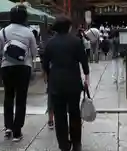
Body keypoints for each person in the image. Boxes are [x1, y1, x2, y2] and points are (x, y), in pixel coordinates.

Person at [43, 16, 90, 151]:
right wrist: (86, 77)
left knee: (59, 114)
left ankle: (63, 144)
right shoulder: (76, 41)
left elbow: (45, 64)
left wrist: (48, 76)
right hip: (73, 81)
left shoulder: (50, 43)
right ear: (68, 27)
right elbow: (83, 61)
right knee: (74, 113)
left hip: (56, 82)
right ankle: (76, 143)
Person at [0, 4, 38, 142]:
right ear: (25, 17)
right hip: (23, 68)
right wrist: (34, 67)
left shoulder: (3, 31)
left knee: (8, 96)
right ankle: (17, 131)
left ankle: (8, 127)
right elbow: (34, 52)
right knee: (21, 99)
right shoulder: (29, 32)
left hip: (6, 67)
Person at [39, 27, 55, 129]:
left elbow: (45, 61)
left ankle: (50, 119)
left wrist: (45, 74)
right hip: (62, 73)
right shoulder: (62, 42)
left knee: (51, 97)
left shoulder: (47, 43)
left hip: (51, 74)